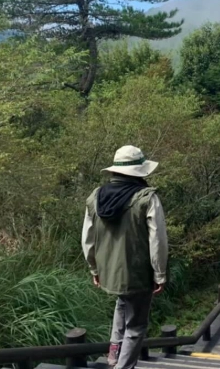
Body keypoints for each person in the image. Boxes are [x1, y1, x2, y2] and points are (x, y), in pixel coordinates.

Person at [81, 145, 168, 369]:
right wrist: (159, 273)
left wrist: (94, 268)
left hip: (108, 271)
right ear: (140, 171)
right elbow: (157, 241)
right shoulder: (147, 197)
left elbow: (87, 239)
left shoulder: (96, 196)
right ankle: (123, 366)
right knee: (137, 325)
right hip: (138, 272)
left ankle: (113, 353)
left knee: (122, 301)